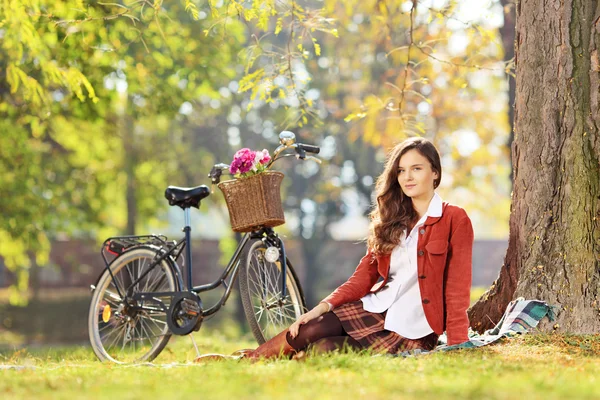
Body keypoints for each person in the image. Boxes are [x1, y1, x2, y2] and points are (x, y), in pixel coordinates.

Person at [196, 137, 474, 362]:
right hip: (375, 309)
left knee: (325, 349)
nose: (407, 177)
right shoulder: (392, 221)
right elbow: (362, 278)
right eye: (401, 170)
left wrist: (458, 341)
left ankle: (278, 359)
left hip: (413, 327)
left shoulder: (454, 218)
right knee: (311, 327)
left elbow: (457, 287)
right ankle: (247, 361)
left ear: (435, 172)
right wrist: (321, 307)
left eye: (417, 168)